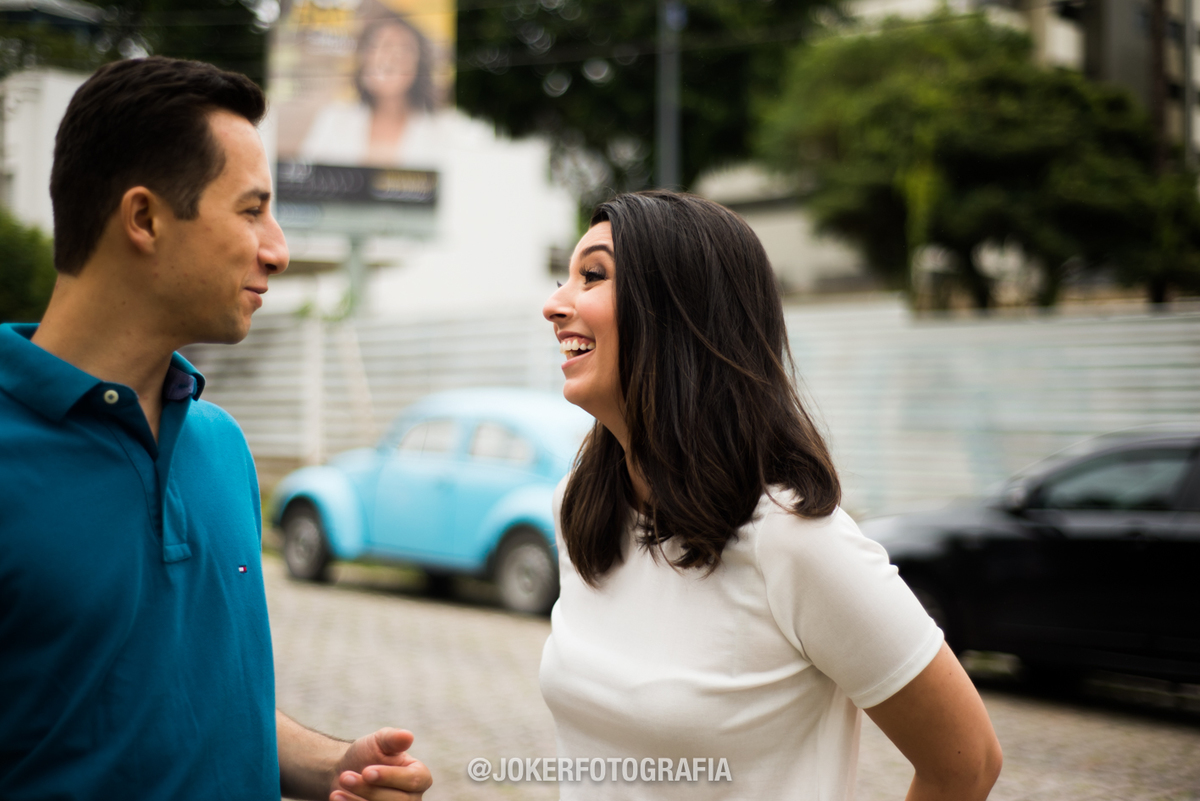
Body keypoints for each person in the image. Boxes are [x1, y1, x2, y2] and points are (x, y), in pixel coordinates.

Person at [0, 57, 431, 801]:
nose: (278, 248)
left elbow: (190, 695)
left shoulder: (222, 446)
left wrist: (330, 765)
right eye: (251, 209)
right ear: (144, 218)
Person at [539, 190, 1002, 800]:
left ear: (681, 313)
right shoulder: (581, 506)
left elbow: (968, 763)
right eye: (565, 278)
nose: (554, 305)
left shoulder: (793, 539)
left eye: (592, 276)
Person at [300, 7, 441, 167]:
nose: (389, 60)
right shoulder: (333, 120)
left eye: (403, 49)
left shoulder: (444, 130)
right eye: (379, 47)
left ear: (419, 63)